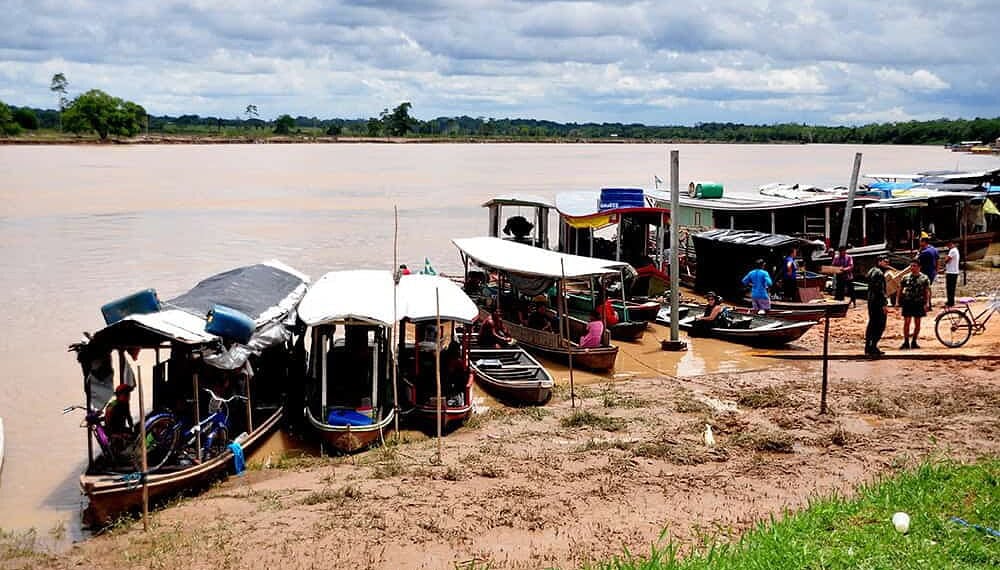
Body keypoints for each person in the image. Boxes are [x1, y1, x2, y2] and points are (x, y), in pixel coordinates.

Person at [896, 260, 931, 349]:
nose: (912, 268)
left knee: (917, 323)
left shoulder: (924, 278)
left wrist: (927, 303)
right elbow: (900, 289)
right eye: (911, 266)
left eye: (914, 266)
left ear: (919, 267)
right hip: (907, 302)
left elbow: (927, 291)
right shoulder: (905, 277)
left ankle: (914, 341)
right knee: (906, 322)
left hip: (919, 303)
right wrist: (897, 301)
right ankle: (906, 342)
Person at [865, 255, 892, 357]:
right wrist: (884, 304)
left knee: (872, 324)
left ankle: (868, 347)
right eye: (885, 262)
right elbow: (880, 291)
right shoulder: (879, 273)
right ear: (879, 261)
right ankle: (873, 346)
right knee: (880, 325)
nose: (887, 264)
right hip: (877, 303)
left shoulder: (872, 270)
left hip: (871, 301)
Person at [104, 383, 135, 455]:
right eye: (126, 394)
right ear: (119, 395)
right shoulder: (113, 406)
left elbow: (129, 417)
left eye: (129, 394)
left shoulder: (126, 404)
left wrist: (132, 427)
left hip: (121, 429)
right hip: (113, 431)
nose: (128, 397)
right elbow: (108, 422)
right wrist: (115, 435)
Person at [943, 239, 960, 307]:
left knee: (950, 288)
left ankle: (950, 302)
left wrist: (945, 258)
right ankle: (950, 301)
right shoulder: (955, 250)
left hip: (951, 272)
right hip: (953, 271)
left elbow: (947, 260)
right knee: (951, 288)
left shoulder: (952, 251)